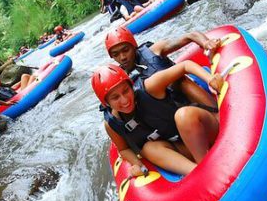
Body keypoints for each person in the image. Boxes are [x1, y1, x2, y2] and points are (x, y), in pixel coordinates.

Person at [92, 63, 223, 176]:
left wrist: (209, 78)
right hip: (184, 146)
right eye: (115, 98)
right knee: (148, 148)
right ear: (106, 103)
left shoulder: (149, 87)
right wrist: (138, 165)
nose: (125, 100)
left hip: (205, 130)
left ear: (131, 85)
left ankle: (206, 166)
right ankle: (196, 172)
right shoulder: (112, 123)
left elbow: (185, 66)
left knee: (183, 116)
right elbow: (123, 149)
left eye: (126, 90)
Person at [105, 26, 221, 107]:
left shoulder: (154, 50)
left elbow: (190, 36)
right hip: (168, 110)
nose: (122, 57)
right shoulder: (120, 78)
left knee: (179, 81)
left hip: (190, 89)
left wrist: (206, 43)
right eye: (116, 55)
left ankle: (218, 113)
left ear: (133, 46)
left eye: (126, 50)